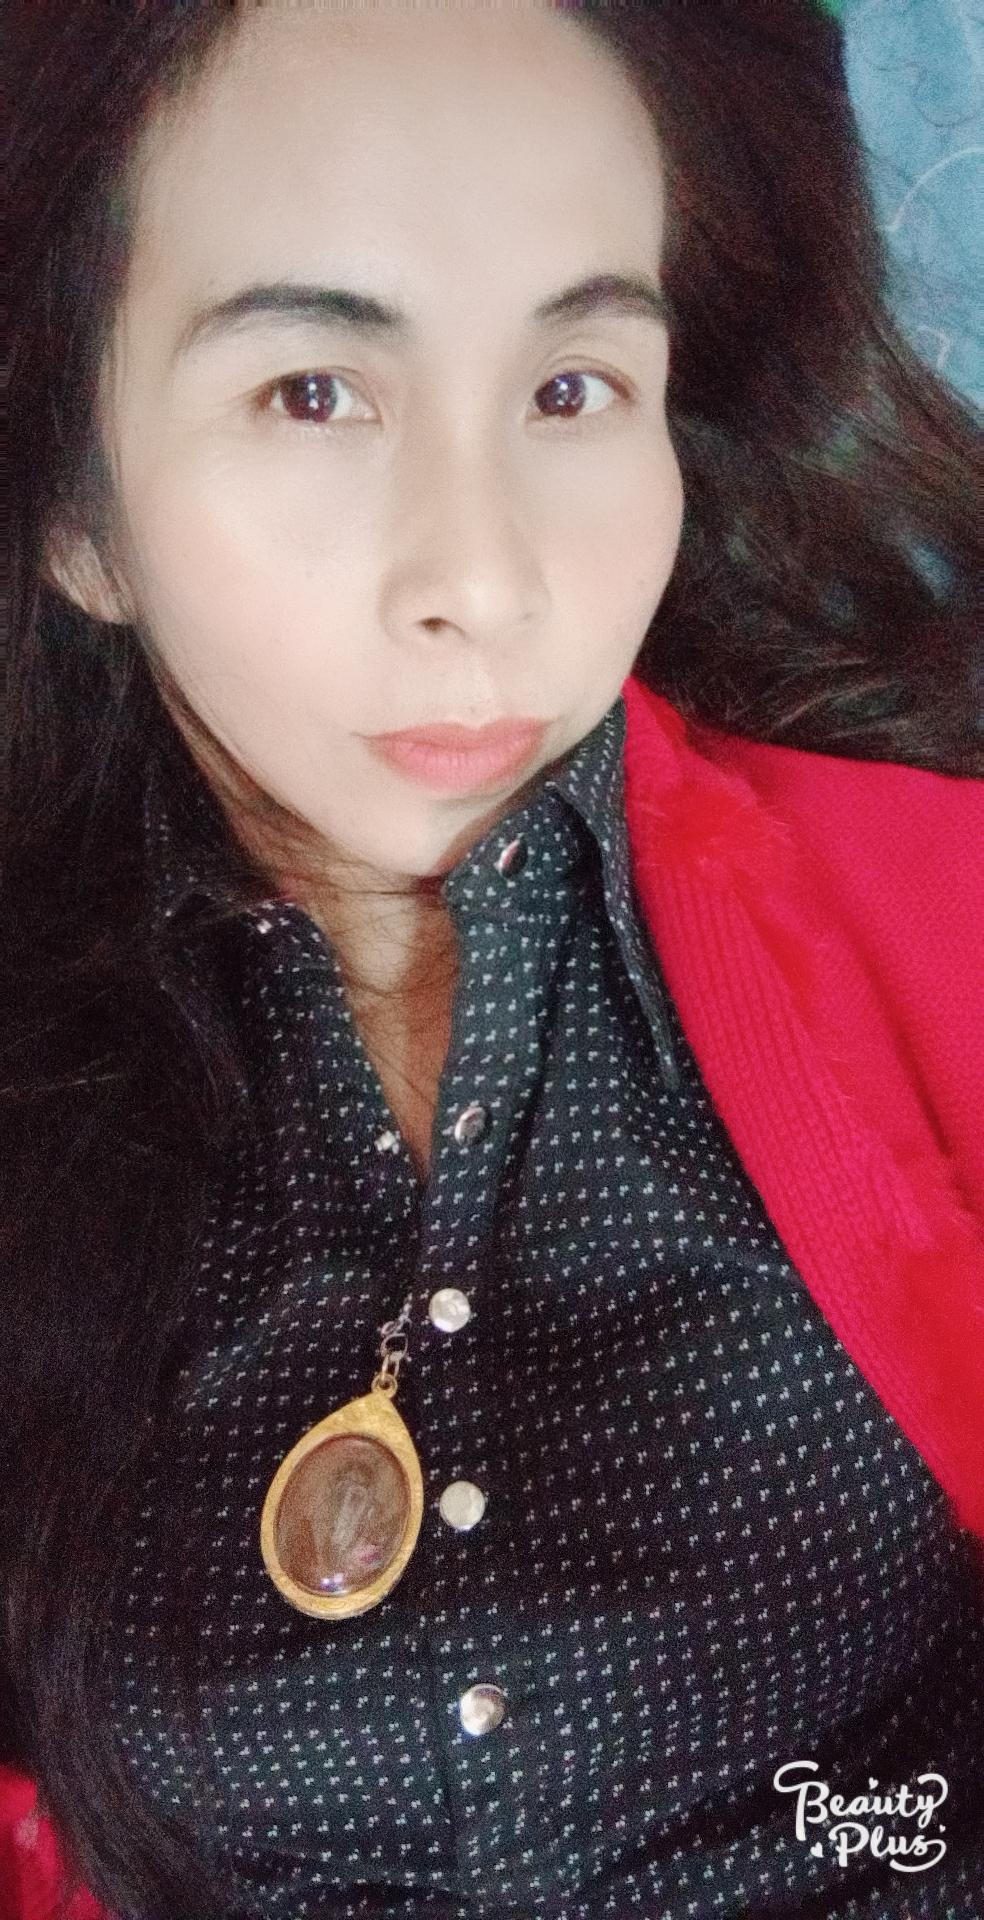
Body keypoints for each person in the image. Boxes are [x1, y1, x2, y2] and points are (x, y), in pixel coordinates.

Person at [2, 2, 982, 1916]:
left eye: (571, 390)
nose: (485, 577)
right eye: (313, 392)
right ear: (76, 514)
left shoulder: (934, 926)